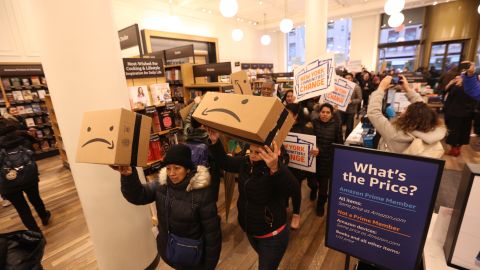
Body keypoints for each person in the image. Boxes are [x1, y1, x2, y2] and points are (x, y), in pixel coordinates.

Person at [115, 144, 222, 270]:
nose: (171, 173)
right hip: (169, 249)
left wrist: (208, 266)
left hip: (193, 257)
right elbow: (138, 196)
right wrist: (128, 176)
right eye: (168, 168)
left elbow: (212, 235)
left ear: (188, 169)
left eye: (177, 168)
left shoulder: (202, 194)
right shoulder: (161, 185)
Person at [207, 131, 299, 270]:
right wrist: (215, 142)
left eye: (259, 152)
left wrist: (276, 168)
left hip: (273, 237)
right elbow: (225, 163)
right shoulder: (245, 163)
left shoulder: (274, 169)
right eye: (251, 150)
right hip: (251, 231)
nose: (253, 155)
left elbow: (293, 189)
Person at [367, 75, 447, 154]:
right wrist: (407, 89)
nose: (403, 110)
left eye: (406, 110)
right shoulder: (433, 130)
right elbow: (423, 109)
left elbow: (374, 112)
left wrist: (381, 88)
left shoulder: (395, 133)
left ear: (409, 118)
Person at [0, 118, 51, 232]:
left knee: (22, 209)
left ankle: (36, 233)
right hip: (29, 175)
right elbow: (37, 144)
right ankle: (44, 217)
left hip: (8, 182)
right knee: (35, 198)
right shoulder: (22, 135)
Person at [285, 103, 319, 228]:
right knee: (282, 188)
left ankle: (296, 214)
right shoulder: (280, 128)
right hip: (283, 165)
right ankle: (284, 206)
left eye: (287, 113)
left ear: (295, 116)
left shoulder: (306, 129)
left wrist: (316, 150)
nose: (284, 116)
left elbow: (313, 146)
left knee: (295, 190)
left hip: (298, 167)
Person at [312, 103, 343, 216]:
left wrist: (322, 150)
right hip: (313, 159)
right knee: (312, 182)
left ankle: (320, 205)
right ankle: (313, 189)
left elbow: (339, 144)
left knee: (324, 188)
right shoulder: (313, 123)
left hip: (327, 161)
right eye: (323, 112)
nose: (325, 115)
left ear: (331, 114)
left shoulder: (336, 125)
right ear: (319, 112)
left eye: (327, 112)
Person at [443, 74, 476, 156]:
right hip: (468, 113)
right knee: (464, 131)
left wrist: (451, 84)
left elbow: (448, 96)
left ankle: (454, 149)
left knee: (454, 131)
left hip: (455, 112)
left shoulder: (457, 87)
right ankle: (458, 148)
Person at [341, 73, 362, 139]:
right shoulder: (341, 86)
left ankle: (347, 140)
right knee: (339, 126)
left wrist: (352, 101)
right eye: (346, 78)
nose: (347, 79)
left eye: (349, 78)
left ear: (352, 79)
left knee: (349, 127)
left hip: (351, 111)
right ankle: (339, 140)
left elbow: (360, 99)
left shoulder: (356, 87)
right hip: (341, 110)